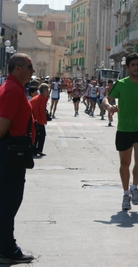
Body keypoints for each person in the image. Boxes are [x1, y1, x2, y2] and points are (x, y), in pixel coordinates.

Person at [102, 53, 138, 211]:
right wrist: (109, 107)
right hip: (124, 128)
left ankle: (135, 187)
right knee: (124, 164)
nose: (136, 68)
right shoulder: (121, 84)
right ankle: (126, 194)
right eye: (133, 65)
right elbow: (106, 99)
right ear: (128, 68)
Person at [0, 53, 36, 264]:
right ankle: (7, 248)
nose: (32, 70)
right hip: (10, 153)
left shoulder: (12, 87)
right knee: (9, 200)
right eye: (29, 67)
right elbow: (3, 126)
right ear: (17, 68)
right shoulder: (13, 90)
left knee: (7, 200)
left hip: (11, 151)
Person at [30, 83, 50, 157]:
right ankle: (39, 149)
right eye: (47, 90)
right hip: (39, 119)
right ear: (44, 90)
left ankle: (34, 150)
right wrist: (44, 120)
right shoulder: (43, 98)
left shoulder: (36, 97)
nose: (48, 91)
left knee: (36, 135)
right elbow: (42, 110)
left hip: (34, 118)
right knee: (42, 135)